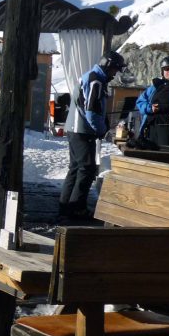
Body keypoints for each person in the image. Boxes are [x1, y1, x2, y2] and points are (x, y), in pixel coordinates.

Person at [59, 50, 126, 220]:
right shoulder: (96, 81)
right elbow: (91, 111)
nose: (115, 74)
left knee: (75, 168)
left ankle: (65, 208)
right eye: (115, 70)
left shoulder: (92, 76)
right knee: (87, 169)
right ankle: (77, 209)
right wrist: (102, 131)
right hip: (82, 129)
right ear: (108, 66)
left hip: (76, 128)